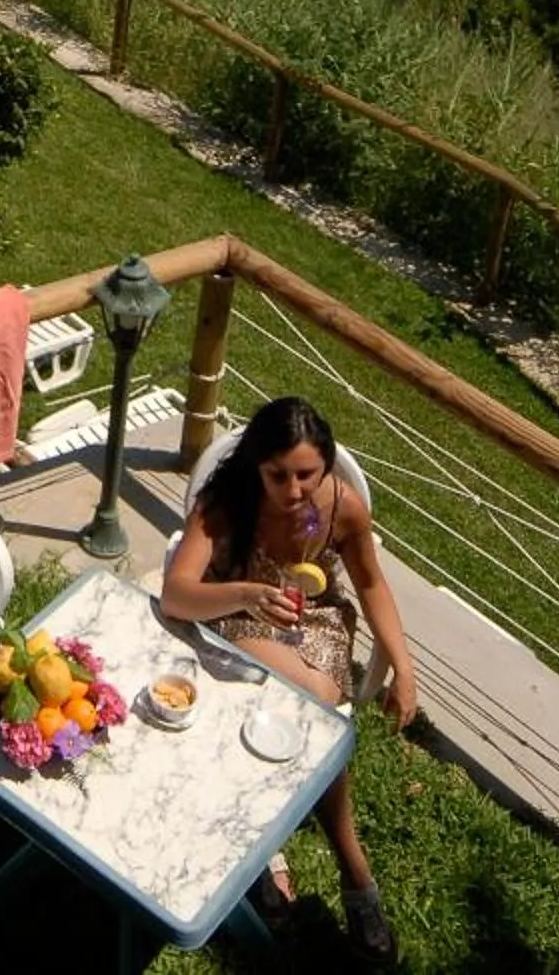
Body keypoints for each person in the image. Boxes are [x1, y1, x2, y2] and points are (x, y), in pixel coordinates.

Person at [160, 395, 419, 959]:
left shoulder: (341, 509)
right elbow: (177, 594)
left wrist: (405, 665)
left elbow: (371, 585)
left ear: (326, 465)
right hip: (234, 612)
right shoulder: (226, 501)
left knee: (310, 710)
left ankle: (281, 855)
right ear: (256, 463)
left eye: (307, 474)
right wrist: (247, 595)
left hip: (313, 618)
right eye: (278, 475)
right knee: (312, 715)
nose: (295, 489)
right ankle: (351, 877)